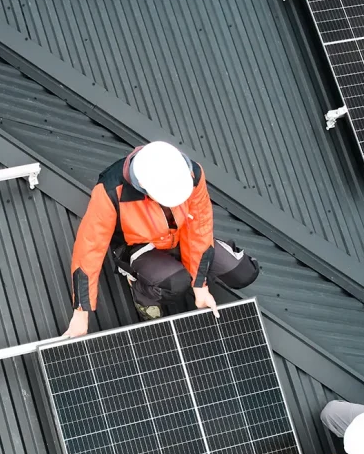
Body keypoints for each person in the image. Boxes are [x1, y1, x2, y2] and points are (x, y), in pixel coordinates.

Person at [64, 141, 259, 335]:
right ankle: (140, 288)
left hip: (179, 236)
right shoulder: (110, 191)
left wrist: (200, 286)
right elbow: (89, 249)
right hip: (139, 246)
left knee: (244, 272)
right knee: (176, 283)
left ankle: (188, 269)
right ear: (144, 187)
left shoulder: (191, 174)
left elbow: (199, 228)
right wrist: (81, 313)